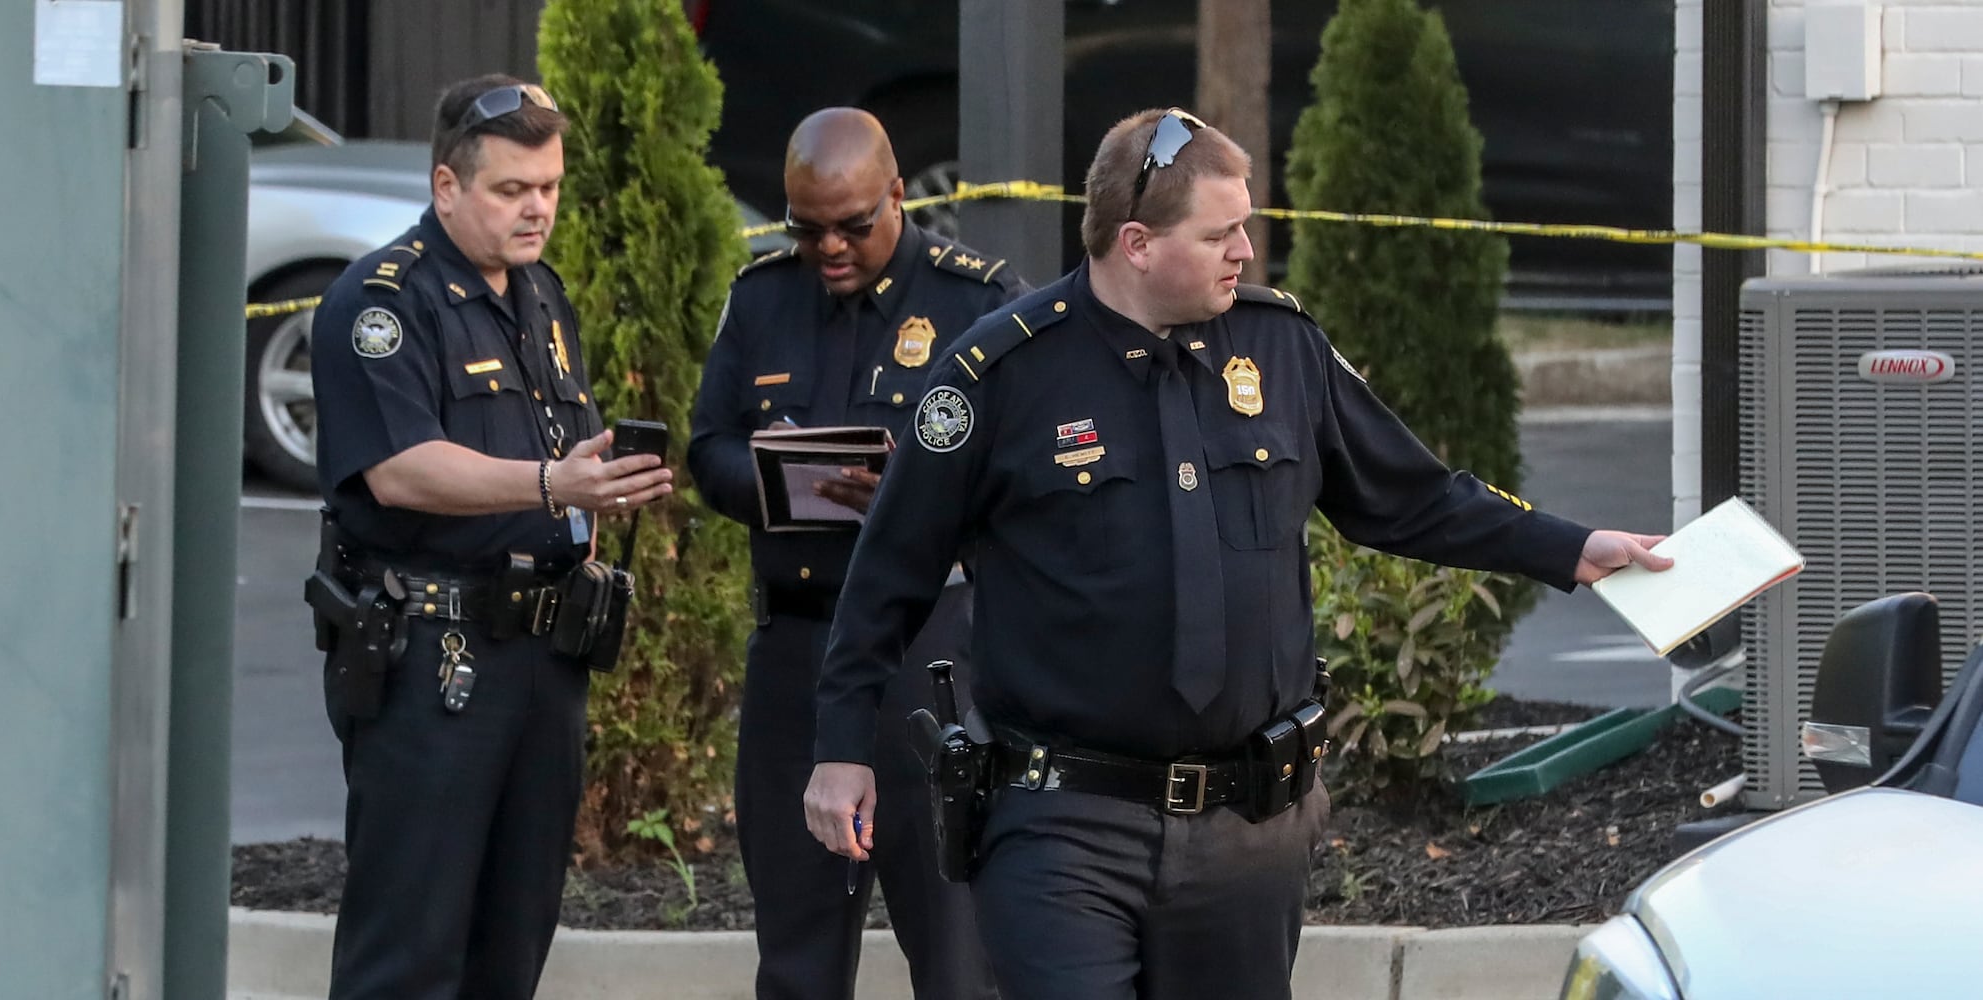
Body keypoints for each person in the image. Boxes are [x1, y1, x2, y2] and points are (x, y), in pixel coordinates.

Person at [799, 108, 1672, 999]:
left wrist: (1572, 547)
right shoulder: (1000, 374)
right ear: (1136, 243)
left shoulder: (1280, 347)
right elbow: (889, 573)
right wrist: (841, 749)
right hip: (1062, 823)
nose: (1245, 251)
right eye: (1221, 233)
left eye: (1245, 226)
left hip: (1249, 831)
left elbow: (1413, 499)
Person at [306, 74, 673, 1000]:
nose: (537, 208)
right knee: (412, 947)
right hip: (433, 657)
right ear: (446, 186)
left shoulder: (540, 293)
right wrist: (556, 484)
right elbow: (401, 469)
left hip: (543, 655)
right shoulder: (381, 303)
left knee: (513, 943)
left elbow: (550, 441)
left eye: (548, 187)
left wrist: (594, 498)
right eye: (512, 190)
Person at [688, 107, 1022, 1000]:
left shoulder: (975, 303)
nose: (829, 247)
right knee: (797, 949)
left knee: (955, 948)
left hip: (928, 653)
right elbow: (707, 447)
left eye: (852, 225)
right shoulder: (762, 299)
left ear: (899, 196)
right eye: (807, 228)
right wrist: (779, 476)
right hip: (798, 645)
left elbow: (1026, 479)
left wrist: (918, 501)